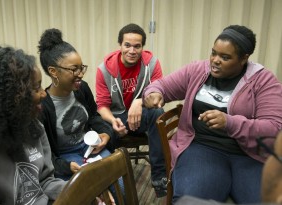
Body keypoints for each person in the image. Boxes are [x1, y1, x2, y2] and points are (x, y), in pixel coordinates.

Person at [143, 25, 282, 203]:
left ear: (244, 59)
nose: (215, 60)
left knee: (267, 201)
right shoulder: (198, 70)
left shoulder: (263, 81)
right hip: (201, 148)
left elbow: (275, 129)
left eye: (225, 57)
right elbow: (161, 86)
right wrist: (153, 93)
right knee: (191, 199)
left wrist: (230, 122)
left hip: (248, 155)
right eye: (213, 53)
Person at [0, 45, 66, 204]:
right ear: (10, 97)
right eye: (36, 87)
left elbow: (45, 182)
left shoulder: (35, 128)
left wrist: (81, 190)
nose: (43, 93)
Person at [95, 23, 167, 197]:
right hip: (117, 117)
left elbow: (159, 96)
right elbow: (102, 106)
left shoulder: (153, 64)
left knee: (158, 114)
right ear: (120, 45)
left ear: (143, 47)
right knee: (100, 127)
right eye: (127, 45)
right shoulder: (104, 70)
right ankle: (111, 183)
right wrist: (113, 121)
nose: (132, 51)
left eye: (137, 46)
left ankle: (160, 179)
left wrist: (140, 102)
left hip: (142, 114)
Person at [38, 28, 114, 180]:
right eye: (74, 69)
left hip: (89, 147)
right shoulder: (43, 107)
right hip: (65, 158)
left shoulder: (82, 89)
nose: (80, 74)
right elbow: (45, 155)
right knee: (88, 191)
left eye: (81, 68)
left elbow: (93, 117)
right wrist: (66, 167)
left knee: (118, 183)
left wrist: (106, 133)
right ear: (53, 71)